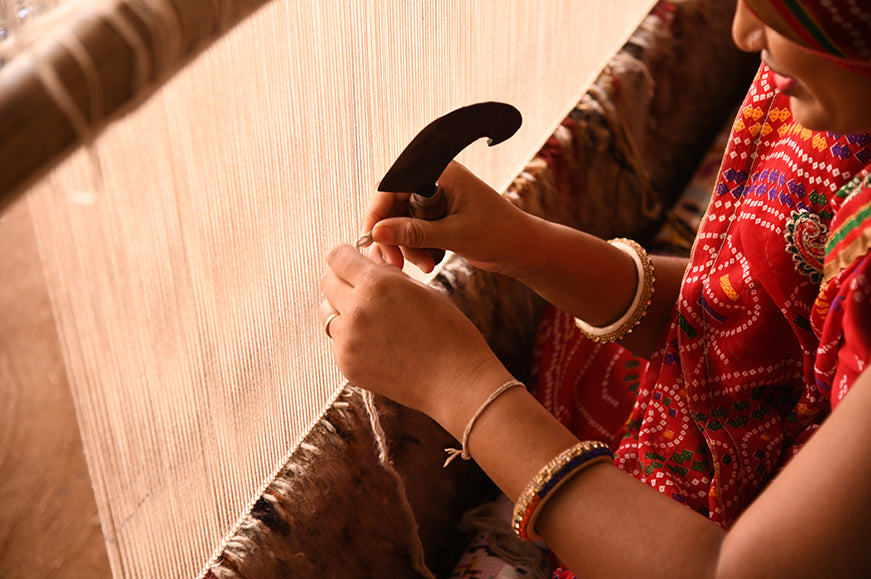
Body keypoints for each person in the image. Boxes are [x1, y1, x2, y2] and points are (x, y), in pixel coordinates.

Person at [319, 1, 871, 576]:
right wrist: (525, 245)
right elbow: (764, 320)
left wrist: (455, 384)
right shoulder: (839, 90)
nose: (742, 32)